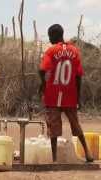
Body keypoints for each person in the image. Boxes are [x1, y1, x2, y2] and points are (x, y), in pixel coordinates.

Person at [39, 24, 94, 163]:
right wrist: (78, 96)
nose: (50, 39)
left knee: (53, 128)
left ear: (54, 36)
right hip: (70, 95)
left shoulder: (51, 51)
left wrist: (43, 84)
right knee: (75, 124)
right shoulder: (74, 51)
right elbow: (79, 76)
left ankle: (55, 158)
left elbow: (42, 70)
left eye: (50, 36)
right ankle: (87, 152)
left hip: (53, 95)